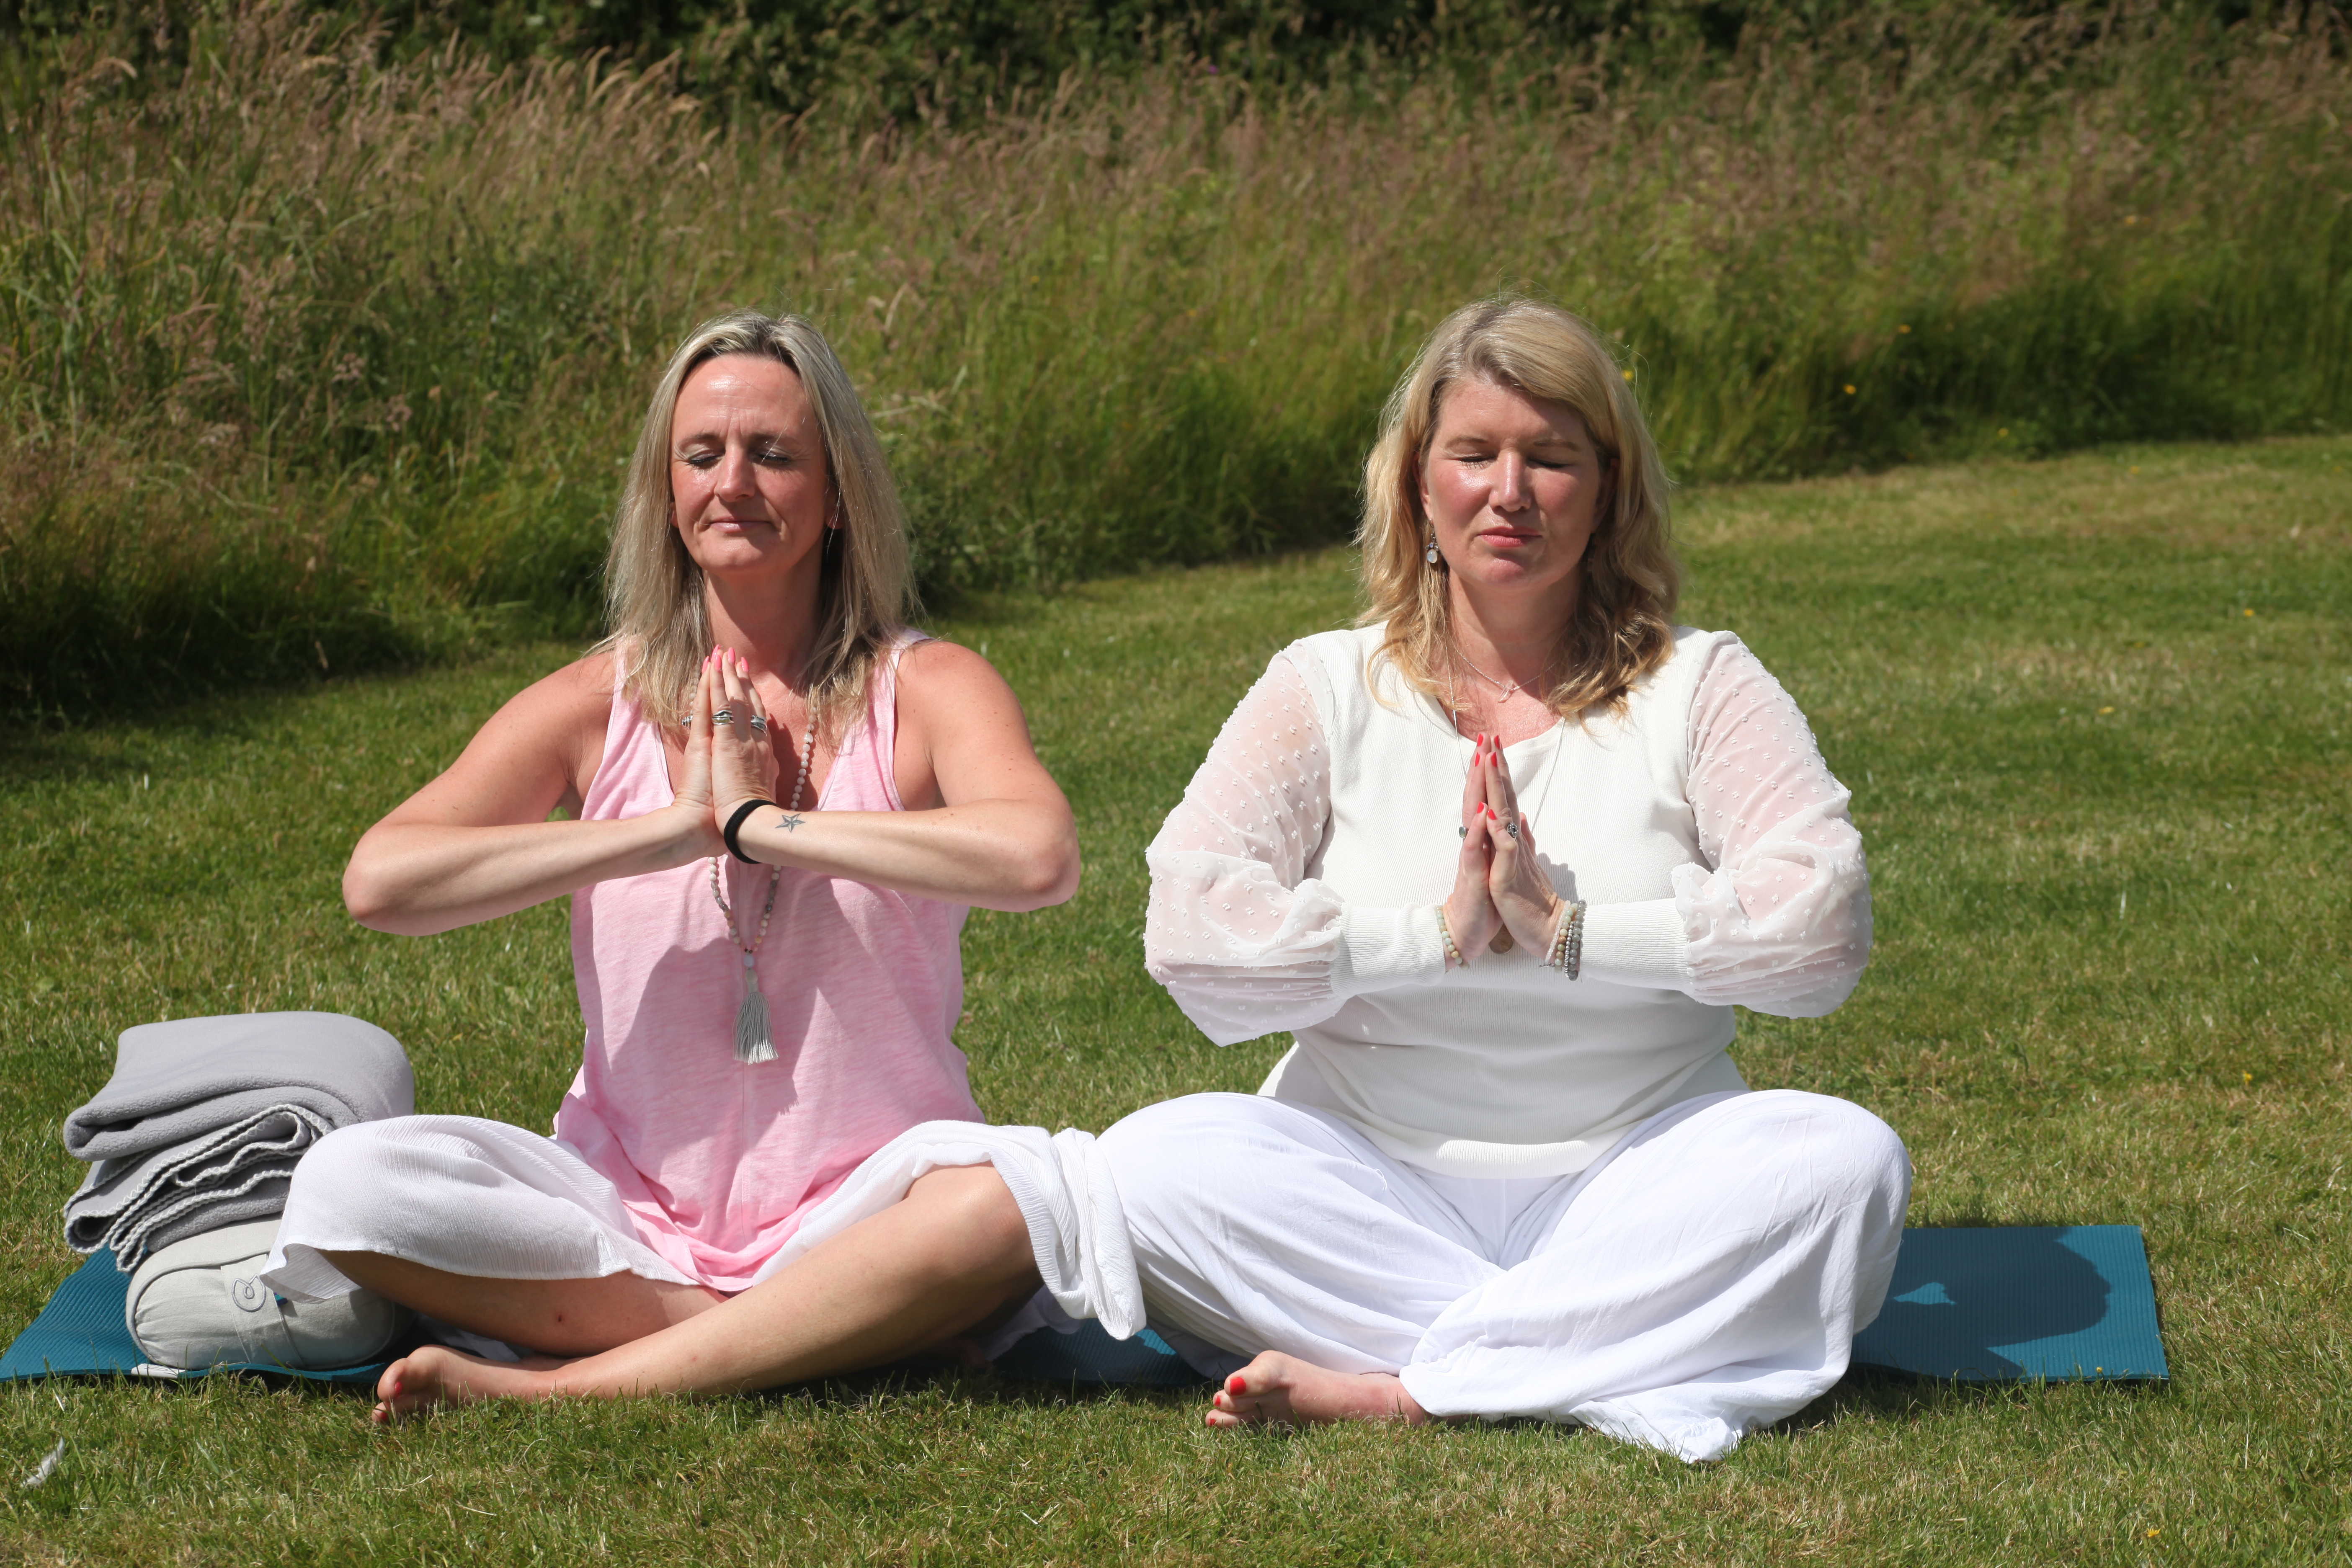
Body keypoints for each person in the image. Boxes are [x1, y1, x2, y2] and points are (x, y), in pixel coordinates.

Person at [1096, 295, 1911, 1463]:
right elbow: (1191, 937)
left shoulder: (1700, 684)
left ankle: (1407, 1386)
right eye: (1474, 454)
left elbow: (1819, 930)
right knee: (1146, 1169)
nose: (1511, 491)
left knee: (1843, 1164)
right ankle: (1588, 1353)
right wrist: (1431, 938)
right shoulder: (1324, 686)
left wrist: (1570, 932)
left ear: (1610, 486)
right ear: (1421, 485)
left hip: (1639, 1175)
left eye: (1553, 458)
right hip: (1366, 1186)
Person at [260, 309, 1082, 1419]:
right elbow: (383, 882)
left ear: (839, 495)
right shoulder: (595, 700)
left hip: (869, 1204)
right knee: (345, 1188)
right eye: (702, 455)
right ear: (667, 492)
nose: (733, 481)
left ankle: (566, 1387)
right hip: (624, 1209)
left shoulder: (926, 687)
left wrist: (760, 827)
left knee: (1016, 1207)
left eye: (774, 454)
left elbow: (1039, 858)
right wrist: (675, 826)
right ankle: (834, 1332)